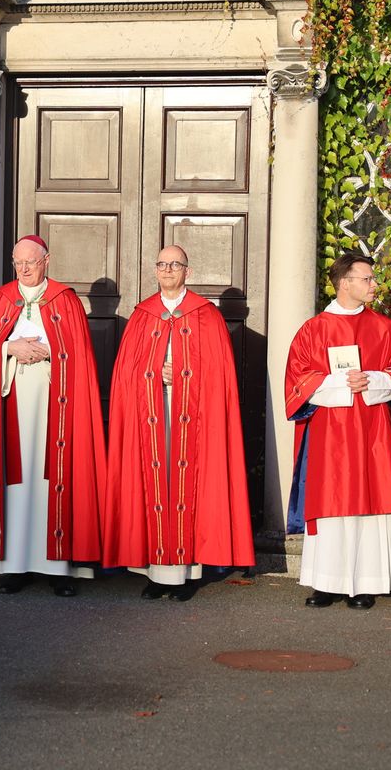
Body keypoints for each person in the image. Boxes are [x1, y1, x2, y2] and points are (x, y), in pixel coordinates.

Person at [0, 235, 105, 596]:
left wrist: (52, 352)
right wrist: (8, 347)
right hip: (10, 403)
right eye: (18, 262)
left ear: (47, 260)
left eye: (31, 261)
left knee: (53, 482)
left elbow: (77, 356)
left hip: (54, 407)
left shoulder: (66, 300)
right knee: (15, 483)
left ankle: (59, 569)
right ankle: (13, 566)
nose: (24, 268)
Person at [103, 245, 255, 600]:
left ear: (188, 271)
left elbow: (220, 378)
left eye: (175, 264)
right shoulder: (143, 316)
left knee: (187, 485)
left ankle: (187, 573)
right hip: (150, 414)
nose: (167, 270)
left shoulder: (207, 316)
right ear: (155, 271)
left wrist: (187, 376)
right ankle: (157, 575)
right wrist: (153, 373)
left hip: (195, 420)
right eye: (162, 264)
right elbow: (125, 374)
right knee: (156, 483)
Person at [284, 252, 391, 610]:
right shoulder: (313, 330)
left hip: (371, 430)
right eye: (368, 279)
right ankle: (327, 583)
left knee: (370, 504)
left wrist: (372, 379)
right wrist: (339, 382)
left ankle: (365, 583)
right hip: (328, 432)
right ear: (345, 283)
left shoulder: (385, 328)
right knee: (332, 505)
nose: (375, 284)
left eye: (373, 279)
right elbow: (297, 382)